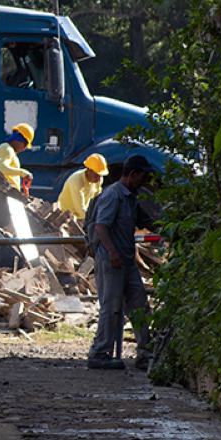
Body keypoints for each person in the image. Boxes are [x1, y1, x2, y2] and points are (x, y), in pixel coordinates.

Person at [87, 154, 159, 371]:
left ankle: (145, 353)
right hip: (111, 260)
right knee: (111, 307)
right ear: (133, 174)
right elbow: (101, 226)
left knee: (139, 305)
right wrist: (112, 251)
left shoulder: (130, 197)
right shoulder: (113, 195)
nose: (143, 182)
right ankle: (100, 353)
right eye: (142, 177)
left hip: (124, 260)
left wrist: (171, 227)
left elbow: (146, 222)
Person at [57, 153, 109, 221]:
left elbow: (97, 199)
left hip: (82, 214)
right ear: (88, 171)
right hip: (65, 215)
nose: (99, 178)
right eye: (96, 175)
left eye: (101, 175)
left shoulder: (98, 180)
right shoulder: (76, 181)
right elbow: (79, 208)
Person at [0, 123, 34, 190]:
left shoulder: (9, 150)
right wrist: (23, 173)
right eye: (25, 145)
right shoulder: (7, 149)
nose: (24, 148)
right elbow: (2, 168)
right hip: (5, 193)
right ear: (20, 139)